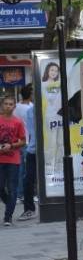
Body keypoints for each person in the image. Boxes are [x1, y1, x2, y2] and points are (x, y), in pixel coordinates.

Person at [0, 97, 26, 226]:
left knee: (12, 189)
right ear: (2, 105)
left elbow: (23, 141)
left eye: (11, 104)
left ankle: (8, 217)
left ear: (14, 107)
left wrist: (11, 146)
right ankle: (9, 202)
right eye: (6, 104)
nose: (8, 106)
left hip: (13, 159)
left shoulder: (18, 122)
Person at [41, 61, 63, 174]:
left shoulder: (61, 83)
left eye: (56, 70)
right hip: (50, 115)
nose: (54, 72)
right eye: (52, 70)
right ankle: (49, 167)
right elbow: (50, 99)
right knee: (51, 143)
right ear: (47, 71)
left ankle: (59, 167)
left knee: (61, 142)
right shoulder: (43, 84)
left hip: (62, 115)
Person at [17, 105, 37, 221]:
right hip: (33, 149)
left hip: (48, 149)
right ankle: (29, 209)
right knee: (28, 179)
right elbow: (32, 132)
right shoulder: (30, 111)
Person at [14, 84, 32, 200]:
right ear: (30, 95)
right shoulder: (31, 107)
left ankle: (20, 194)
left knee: (20, 170)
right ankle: (26, 194)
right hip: (28, 142)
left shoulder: (16, 107)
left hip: (18, 141)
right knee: (28, 170)